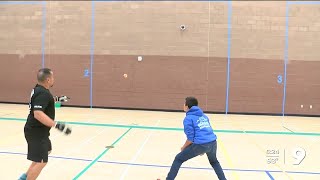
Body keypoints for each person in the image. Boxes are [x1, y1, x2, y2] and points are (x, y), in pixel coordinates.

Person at [19, 68, 71, 180]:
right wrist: (57, 125)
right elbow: (38, 113)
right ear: (48, 79)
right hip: (36, 132)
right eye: (52, 77)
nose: (53, 79)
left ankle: (23, 178)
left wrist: (57, 99)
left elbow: (45, 100)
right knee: (42, 161)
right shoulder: (43, 93)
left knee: (46, 152)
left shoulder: (39, 89)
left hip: (38, 132)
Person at [166, 97, 227, 180]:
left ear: (187, 106)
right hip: (212, 143)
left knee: (178, 159)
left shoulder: (188, 119)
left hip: (201, 144)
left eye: (184, 104)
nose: (183, 105)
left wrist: (183, 147)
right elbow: (207, 131)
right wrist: (204, 149)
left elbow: (190, 139)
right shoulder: (204, 116)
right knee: (214, 162)